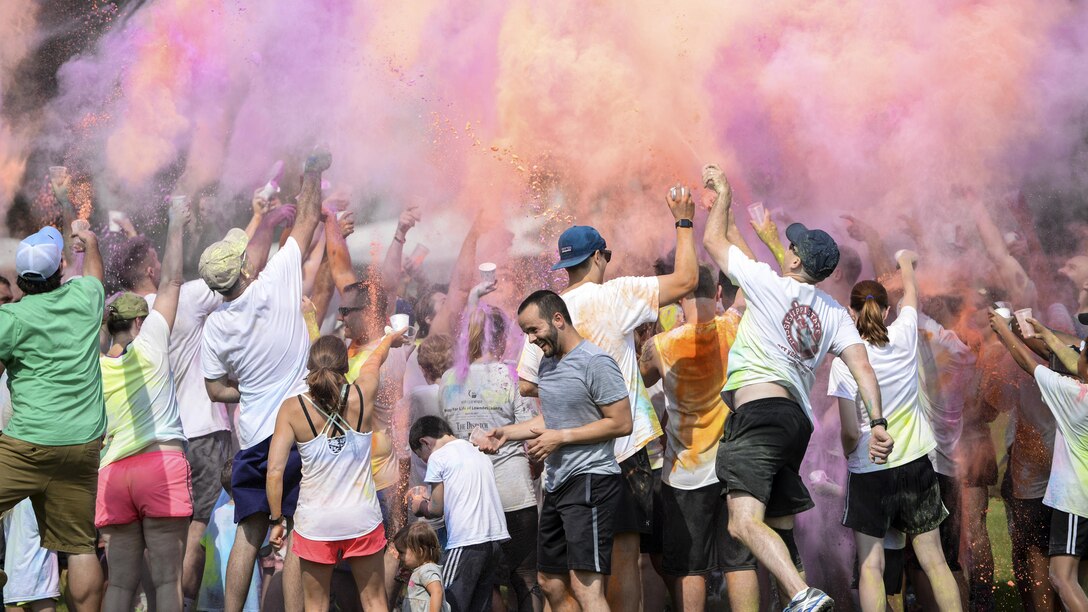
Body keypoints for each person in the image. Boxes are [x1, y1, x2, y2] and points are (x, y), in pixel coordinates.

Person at [700, 163, 890, 612]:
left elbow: (712, 242)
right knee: (781, 531)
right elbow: (862, 365)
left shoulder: (768, 284)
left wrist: (724, 191)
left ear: (797, 260)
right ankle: (800, 595)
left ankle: (805, 596)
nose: (784, 250)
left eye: (790, 247)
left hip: (758, 415)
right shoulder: (834, 311)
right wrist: (877, 422)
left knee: (743, 524)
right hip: (794, 426)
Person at [516, 186, 699, 612]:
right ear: (599, 257)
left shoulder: (550, 311)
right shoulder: (616, 295)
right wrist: (684, 221)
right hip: (620, 449)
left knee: (564, 575)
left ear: (566, 265)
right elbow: (688, 280)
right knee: (622, 561)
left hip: (569, 456)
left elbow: (526, 383)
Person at [200, 149, 330, 612]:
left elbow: (215, 389)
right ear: (245, 268)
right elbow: (311, 215)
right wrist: (313, 169)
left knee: (248, 533)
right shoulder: (276, 277)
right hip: (298, 432)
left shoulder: (213, 326)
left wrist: (248, 389)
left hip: (254, 435)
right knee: (296, 531)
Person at [828, 250, 962, 611]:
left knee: (872, 565)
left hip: (870, 472)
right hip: (917, 465)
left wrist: (848, 452)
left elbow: (850, 433)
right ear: (886, 312)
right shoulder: (904, 336)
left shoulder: (845, 363)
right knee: (935, 561)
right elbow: (912, 299)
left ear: (851, 313)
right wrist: (905, 262)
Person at [486, 290, 632, 612]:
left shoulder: (596, 362)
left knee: (585, 586)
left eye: (534, 330)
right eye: (526, 333)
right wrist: (505, 434)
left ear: (558, 319)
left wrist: (561, 438)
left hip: (591, 481)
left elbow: (621, 423)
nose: (531, 339)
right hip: (557, 484)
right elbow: (551, 418)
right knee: (549, 581)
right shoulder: (548, 365)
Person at [638, 266, 758, 612]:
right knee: (740, 561)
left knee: (690, 569)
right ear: (719, 292)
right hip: (734, 467)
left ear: (679, 297)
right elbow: (753, 283)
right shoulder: (736, 324)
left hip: (684, 475)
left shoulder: (660, 346)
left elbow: (638, 383)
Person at [0, 222, 106, 611]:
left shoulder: (10, 319)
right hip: (80, 447)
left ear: (20, 279)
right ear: (60, 269)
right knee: (80, 548)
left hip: (26, 445)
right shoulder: (84, 297)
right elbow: (95, 272)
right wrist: (90, 241)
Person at [96, 197, 191, 612]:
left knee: (119, 585)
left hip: (114, 473)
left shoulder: (94, 367)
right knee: (168, 580)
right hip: (159, 464)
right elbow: (170, 281)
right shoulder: (151, 340)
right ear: (139, 321)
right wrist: (176, 223)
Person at [266, 333, 401, 612]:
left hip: (316, 523)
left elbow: (275, 472)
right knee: (375, 601)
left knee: (316, 605)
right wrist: (390, 338)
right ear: (345, 366)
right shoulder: (362, 396)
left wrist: (277, 518)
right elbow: (374, 361)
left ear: (310, 367)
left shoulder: (292, 409)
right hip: (361, 517)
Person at [438, 306, 540, 611]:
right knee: (526, 579)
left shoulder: (448, 380)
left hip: (470, 501)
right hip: (514, 494)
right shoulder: (511, 374)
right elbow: (533, 430)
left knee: (486, 585)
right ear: (501, 336)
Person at [991, 312, 1088, 612]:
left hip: (1075, 501)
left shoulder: (1074, 395)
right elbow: (1071, 360)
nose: (1077, 354)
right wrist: (1045, 334)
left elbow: (1028, 364)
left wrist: (1003, 330)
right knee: (1080, 577)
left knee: (1061, 579)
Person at [408, 416, 509, 612]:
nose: (426, 461)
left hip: (466, 541)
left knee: (448, 602)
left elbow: (436, 509)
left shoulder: (438, 456)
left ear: (425, 442)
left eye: (423, 457)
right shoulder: (475, 450)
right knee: (480, 605)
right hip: (494, 541)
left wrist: (419, 505)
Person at [396, 522, 451, 612]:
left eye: (402, 552)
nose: (399, 556)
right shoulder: (419, 570)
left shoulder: (427, 570)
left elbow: (437, 592)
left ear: (419, 551)